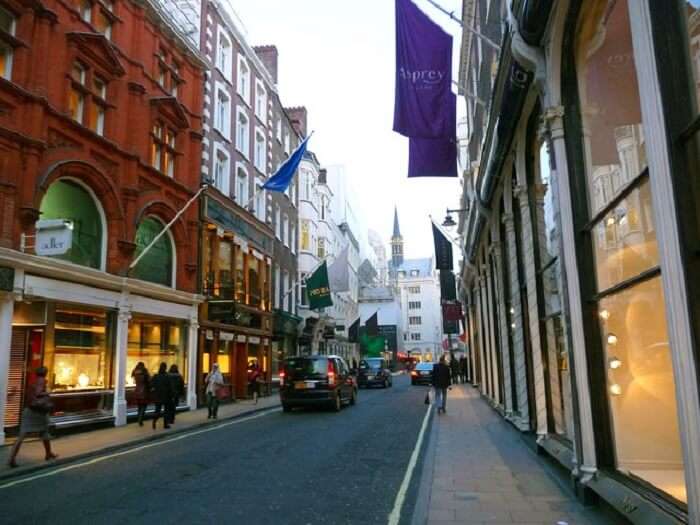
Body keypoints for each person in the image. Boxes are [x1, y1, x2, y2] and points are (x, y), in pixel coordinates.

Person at [6, 367, 58, 468]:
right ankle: (48, 454)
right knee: (44, 432)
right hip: (37, 413)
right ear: (45, 373)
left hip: (29, 411)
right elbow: (38, 393)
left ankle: (12, 459)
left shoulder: (32, 382)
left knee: (27, 435)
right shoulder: (42, 381)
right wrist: (48, 393)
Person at [150, 362, 173, 429]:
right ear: (165, 368)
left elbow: (151, 385)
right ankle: (165, 425)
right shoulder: (167, 376)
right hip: (166, 396)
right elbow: (170, 387)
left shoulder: (156, 376)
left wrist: (155, 390)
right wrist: (171, 395)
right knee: (166, 411)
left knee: (157, 410)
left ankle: (154, 421)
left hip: (157, 396)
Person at [131, 362, 150, 427]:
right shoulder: (145, 371)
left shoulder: (135, 371)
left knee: (139, 406)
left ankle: (139, 418)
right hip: (144, 391)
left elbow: (134, 378)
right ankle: (140, 420)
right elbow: (148, 380)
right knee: (144, 406)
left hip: (137, 390)